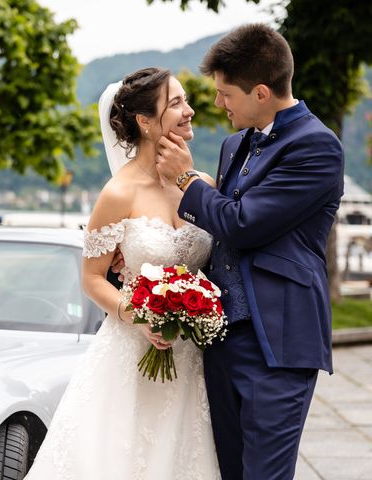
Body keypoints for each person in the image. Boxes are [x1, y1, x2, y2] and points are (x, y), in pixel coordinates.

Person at [154, 24, 344, 480]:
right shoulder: (232, 144)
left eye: (226, 94)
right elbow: (215, 224)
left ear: (261, 92)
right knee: (230, 471)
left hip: (276, 342)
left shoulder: (317, 147)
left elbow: (243, 225)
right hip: (219, 341)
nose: (218, 104)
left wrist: (186, 180)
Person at [24, 67, 221, 480]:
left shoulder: (201, 184)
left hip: (193, 360)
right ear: (145, 122)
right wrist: (139, 314)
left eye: (185, 100)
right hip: (131, 353)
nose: (190, 111)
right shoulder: (118, 194)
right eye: (176, 103)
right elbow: (92, 278)